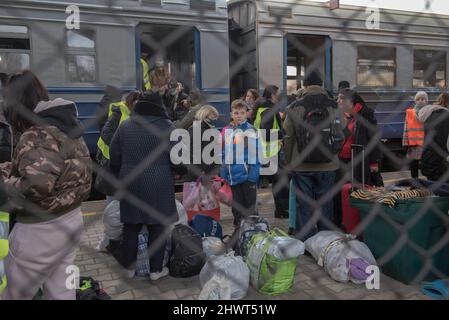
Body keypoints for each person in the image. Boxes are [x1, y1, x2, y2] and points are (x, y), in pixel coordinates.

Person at [1, 70, 91, 300]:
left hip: (40, 228)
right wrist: (12, 169)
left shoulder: (36, 134)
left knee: (14, 293)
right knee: (61, 289)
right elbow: (59, 169)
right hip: (71, 220)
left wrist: (7, 182)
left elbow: (37, 184)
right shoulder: (67, 126)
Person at [109, 90, 181, 280]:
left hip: (130, 180)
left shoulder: (125, 126)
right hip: (158, 181)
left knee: (131, 224)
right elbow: (177, 159)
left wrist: (119, 171)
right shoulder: (168, 127)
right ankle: (156, 270)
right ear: (160, 107)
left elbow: (114, 155)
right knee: (157, 225)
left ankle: (129, 268)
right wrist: (179, 172)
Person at [283, 70, 345, 241]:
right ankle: (325, 240)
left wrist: (289, 162)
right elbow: (341, 132)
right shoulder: (332, 105)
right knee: (325, 202)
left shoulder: (294, 106)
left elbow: (288, 137)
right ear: (321, 85)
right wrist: (333, 154)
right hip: (328, 165)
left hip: (301, 165)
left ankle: (308, 240)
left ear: (305, 85)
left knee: (304, 204)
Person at [333, 88, 382, 227]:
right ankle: (339, 221)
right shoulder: (338, 115)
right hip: (340, 160)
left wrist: (374, 162)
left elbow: (374, 140)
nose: (338, 101)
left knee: (357, 191)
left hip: (358, 161)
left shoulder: (366, 115)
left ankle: (356, 221)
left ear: (350, 101)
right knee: (338, 192)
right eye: (338, 98)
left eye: (341, 98)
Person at [220, 99, 260, 227]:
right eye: (236, 113)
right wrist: (223, 173)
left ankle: (252, 233)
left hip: (247, 176)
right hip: (233, 177)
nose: (239, 115)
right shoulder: (227, 131)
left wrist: (252, 177)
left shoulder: (250, 131)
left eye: (242, 113)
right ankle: (239, 234)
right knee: (237, 210)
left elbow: (256, 155)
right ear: (231, 114)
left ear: (246, 114)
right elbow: (223, 153)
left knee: (249, 210)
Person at [95, 91, 141, 198]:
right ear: (131, 102)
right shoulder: (119, 113)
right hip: (111, 164)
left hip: (121, 165)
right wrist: (121, 146)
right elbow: (106, 134)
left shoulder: (131, 115)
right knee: (113, 201)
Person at [252, 85, 289, 218]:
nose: (280, 96)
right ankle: (281, 211)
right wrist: (283, 133)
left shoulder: (263, 108)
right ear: (273, 95)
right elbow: (266, 133)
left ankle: (280, 211)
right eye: (278, 93)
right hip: (271, 152)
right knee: (281, 183)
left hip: (265, 151)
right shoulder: (268, 110)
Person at [185, 105, 220, 183]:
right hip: (201, 172)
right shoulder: (201, 130)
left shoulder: (195, 128)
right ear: (206, 115)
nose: (216, 119)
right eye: (214, 116)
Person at [418, 93, 449, 182]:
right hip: (440, 163)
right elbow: (443, 141)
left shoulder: (429, 115)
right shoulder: (445, 116)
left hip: (427, 158)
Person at [403, 91, 428, 179]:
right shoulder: (410, 113)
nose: (420, 101)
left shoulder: (430, 112)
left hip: (426, 143)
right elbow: (406, 130)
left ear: (426, 101)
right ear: (415, 101)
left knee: (427, 163)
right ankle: (415, 181)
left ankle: (429, 181)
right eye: (418, 99)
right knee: (414, 164)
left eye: (423, 99)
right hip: (414, 143)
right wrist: (405, 143)